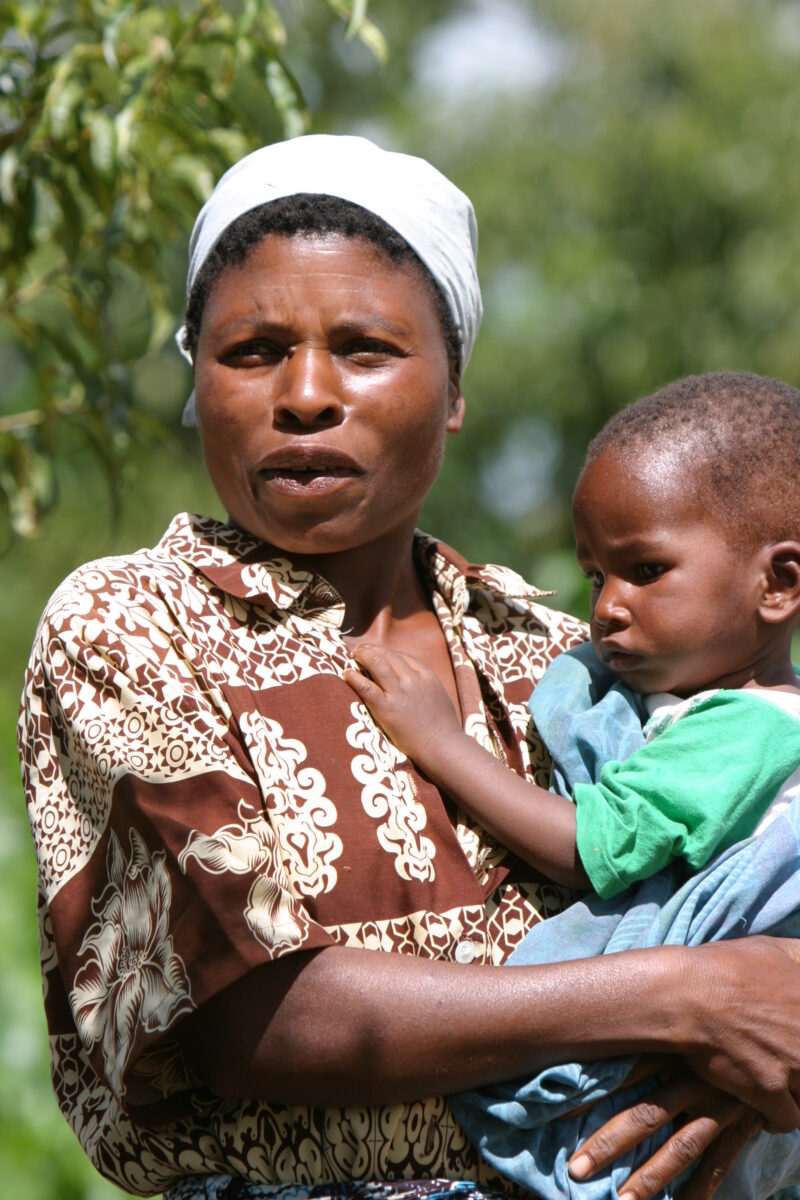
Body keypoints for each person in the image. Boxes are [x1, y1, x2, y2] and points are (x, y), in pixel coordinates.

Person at [17, 136, 800, 1200]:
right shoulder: (134, 625)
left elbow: (742, 885)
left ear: (453, 391)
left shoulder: (551, 648)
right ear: (196, 383)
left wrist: (748, 1066)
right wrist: (684, 997)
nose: (303, 394)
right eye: (249, 352)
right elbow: (263, 1025)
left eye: (364, 348)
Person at [343, 371, 800, 1196]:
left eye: (647, 569)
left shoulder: (749, 727)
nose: (609, 608)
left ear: (780, 584)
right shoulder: (694, 705)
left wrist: (441, 744)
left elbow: (592, 851)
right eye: (596, 577)